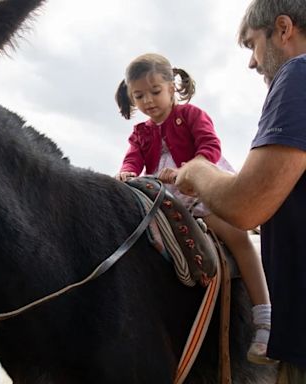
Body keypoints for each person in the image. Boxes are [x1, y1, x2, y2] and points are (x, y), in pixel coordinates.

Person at [172, 0, 306, 381]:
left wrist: (198, 170)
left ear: (283, 29)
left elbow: (247, 204)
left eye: (252, 44)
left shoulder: (299, 72)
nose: (252, 62)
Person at [114, 53, 274, 364]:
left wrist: (190, 169)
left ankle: (264, 317)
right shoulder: (140, 133)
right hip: (165, 195)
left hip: (202, 189)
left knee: (236, 236)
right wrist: (127, 173)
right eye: (139, 95)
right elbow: (133, 158)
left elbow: (210, 147)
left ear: (172, 87)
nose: (148, 100)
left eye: (155, 91)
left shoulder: (192, 115)